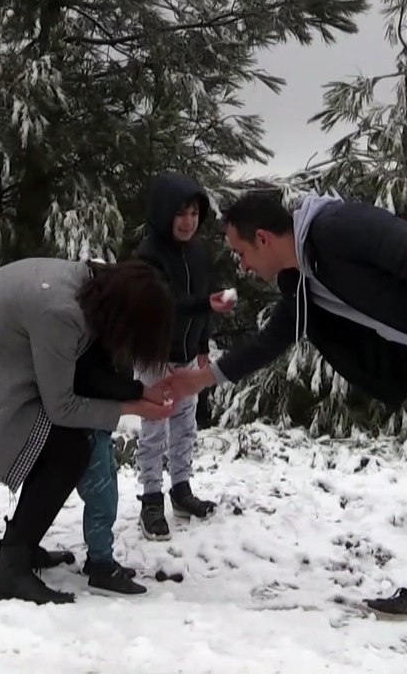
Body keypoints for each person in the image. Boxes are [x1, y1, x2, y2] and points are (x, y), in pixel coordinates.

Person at [163, 190, 407, 652]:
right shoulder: (301, 280)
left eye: (241, 252)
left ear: (264, 238)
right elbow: (273, 340)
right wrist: (201, 379)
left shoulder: (340, 228)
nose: (243, 265)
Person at [0, 257, 176, 605]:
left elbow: (82, 372)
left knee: (59, 444)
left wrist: (139, 391)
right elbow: (62, 407)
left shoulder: (88, 286)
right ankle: (12, 569)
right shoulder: (62, 313)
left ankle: (19, 546)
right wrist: (133, 408)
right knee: (68, 450)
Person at [131, 171, 237, 540]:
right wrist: (205, 304)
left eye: (194, 213)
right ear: (164, 213)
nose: (188, 222)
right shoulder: (149, 255)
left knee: (185, 426)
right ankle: (151, 499)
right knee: (154, 429)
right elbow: (165, 304)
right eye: (180, 213)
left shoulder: (198, 253)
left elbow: (203, 303)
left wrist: (203, 345)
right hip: (155, 356)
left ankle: (181, 489)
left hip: (189, 355)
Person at [71, 338, 148, 595]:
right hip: (88, 428)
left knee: (108, 495)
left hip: (100, 427)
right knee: (101, 500)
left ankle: (99, 558)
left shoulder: (107, 338)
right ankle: (101, 566)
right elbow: (97, 382)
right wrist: (138, 392)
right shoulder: (94, 342)